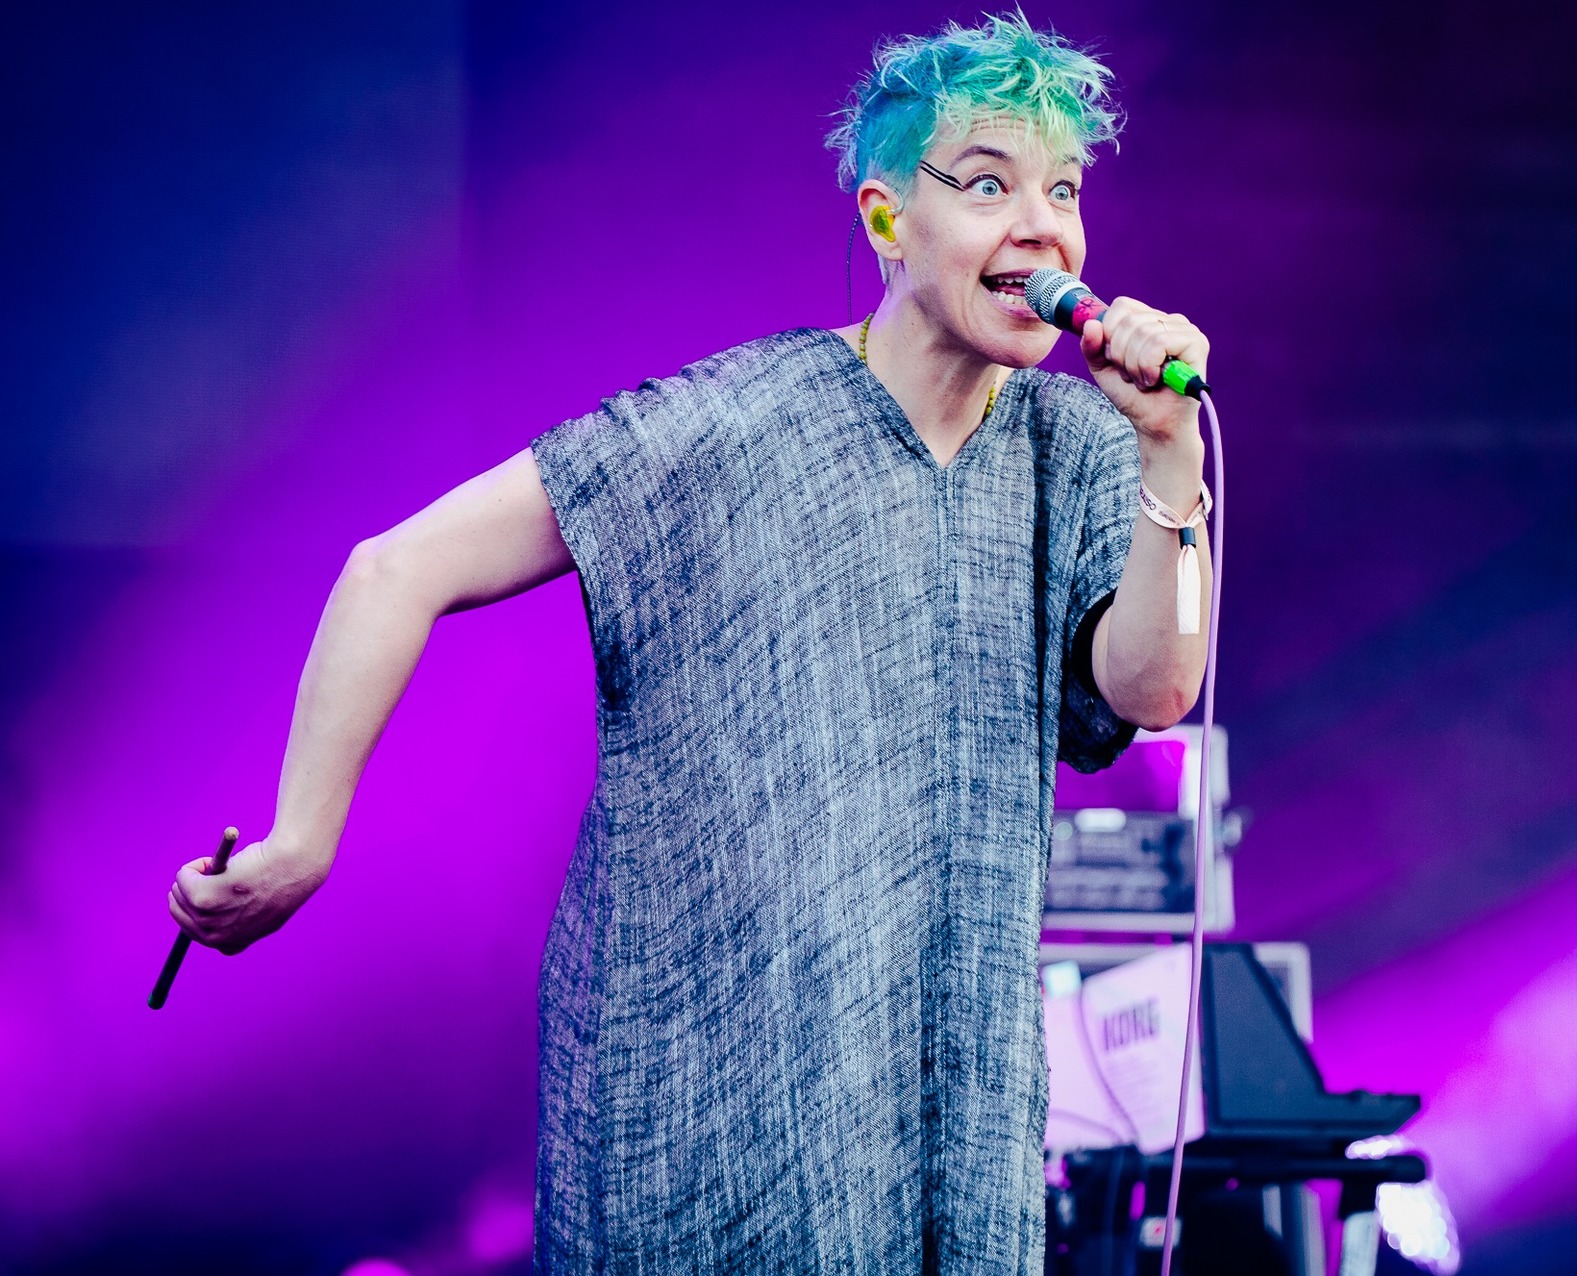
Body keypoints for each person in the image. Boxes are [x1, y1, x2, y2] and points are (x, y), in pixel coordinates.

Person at [166, 13, 1212, 1272]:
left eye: (1064, 190)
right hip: (700, 1103)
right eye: (990, 185)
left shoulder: (1083, 448)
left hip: (956, 1105)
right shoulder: (727, 424)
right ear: (887, 220)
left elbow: (1155, 687)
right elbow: (395, 567)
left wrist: (1170, 457)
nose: (1042, 226)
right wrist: (301, 840)